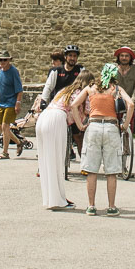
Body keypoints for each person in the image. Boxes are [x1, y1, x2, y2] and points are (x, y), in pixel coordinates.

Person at [71, 64, 133, 215]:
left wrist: (80, 125)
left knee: (91, 170)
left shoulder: (90, 88)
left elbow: (74, 105)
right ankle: (111, 206)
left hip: (93, 126)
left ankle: (91, 206)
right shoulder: (116, 89)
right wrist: (125, 125)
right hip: (111, 127)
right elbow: (131, 104)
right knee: (111, 171)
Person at [36, 76, 87, 209]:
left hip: (44, 116)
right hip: (57, 118)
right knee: (57, 161)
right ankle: (57, 200)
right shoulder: (80, 94)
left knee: (46, 160)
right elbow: (85, 111)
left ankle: (52, 197)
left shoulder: (65, 90)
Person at [0, 51, 23, 159]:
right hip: (1, 102)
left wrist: (18, 103)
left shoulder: (13, 72)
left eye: (5, 60)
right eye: (0, 60)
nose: (2, 62)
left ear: (9, 60)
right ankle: (19, 142)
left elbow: (19, 89)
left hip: (11, 102)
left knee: (5, 126)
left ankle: (5, 152)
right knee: (0, 126)